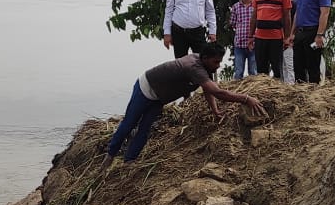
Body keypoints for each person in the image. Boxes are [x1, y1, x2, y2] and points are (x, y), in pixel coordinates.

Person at [103, 43, 267, 163]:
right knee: (129, 124)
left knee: (145, 129)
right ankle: (110, 155)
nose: (218, 66)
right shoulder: (193, 67)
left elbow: (208, 88)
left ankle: (129, 161)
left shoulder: (203, 66)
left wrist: (215, 110)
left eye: (219, 62)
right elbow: (218, 92)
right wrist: (246, 98)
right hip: (146, 88)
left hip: (159, 98)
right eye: (216, 62)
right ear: (205, 59)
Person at [285, 0, 332, 83]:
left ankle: (314, 96)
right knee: (298, 66)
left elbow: (325, 13)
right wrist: (292, 33)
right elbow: (298, 13)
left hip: (313, 31)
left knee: (313, 67)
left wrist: (320, 35)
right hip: (300, 33)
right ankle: (300, 94)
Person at [248, 0, 292, 79]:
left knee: (277, 68)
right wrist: (250, 36)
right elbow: (254, 17)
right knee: (261, 69)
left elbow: (287, 17)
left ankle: (278, 90)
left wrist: (287, 37)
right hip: (260, 37)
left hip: (276, 38)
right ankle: (263, 91)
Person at [229, 0, 256, 78]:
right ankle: (236, 92)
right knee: (238, 71)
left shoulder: (256, 5)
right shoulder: (235, 7)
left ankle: (253, 92)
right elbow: (232, 23)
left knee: (253, 72)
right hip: (239, 44)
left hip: (254, 44)